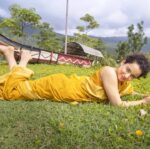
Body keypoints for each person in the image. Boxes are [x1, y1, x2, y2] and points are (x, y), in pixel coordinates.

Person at [0, 44, 150, 107]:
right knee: (11, 93)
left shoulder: (121, 81)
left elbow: (127, 90)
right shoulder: (110, 72)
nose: (127, 76)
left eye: (132, 76)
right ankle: (24, 61)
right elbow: (118, 104)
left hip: (64, 85)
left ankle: (9, 54)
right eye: (128, 69)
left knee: (17, 87)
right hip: (58, 87)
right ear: (123, 61)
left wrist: (143, 94)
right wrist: (142, 102)